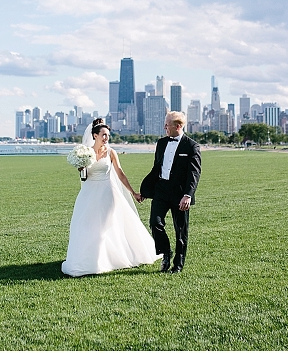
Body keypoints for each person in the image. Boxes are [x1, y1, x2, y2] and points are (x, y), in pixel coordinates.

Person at [61, 118, 160, 277]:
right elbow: (84, 178)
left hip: (108, 193)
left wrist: (133, 192)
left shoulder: (111, 152)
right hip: (89, 193)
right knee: (86, 226)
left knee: (105, 227)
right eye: (103, 135)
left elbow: (120, 173)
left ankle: (106, 259)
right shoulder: (85, 153)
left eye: (108, 135)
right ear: (95, 135)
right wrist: (82, 168)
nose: (106, 138)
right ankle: (87, 259)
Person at [140, 111, 201, 274]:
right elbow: (156, 169)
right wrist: (146, 190)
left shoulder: (191, 146)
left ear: (178, 126)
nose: (164, 127)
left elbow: (194, 173)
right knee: (155, 223)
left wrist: (188, 195)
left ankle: (178, 265)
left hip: (180, 195)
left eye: (167, 125)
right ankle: (165, 253)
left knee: (180, 231)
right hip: (161, 190)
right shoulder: (161, 143)